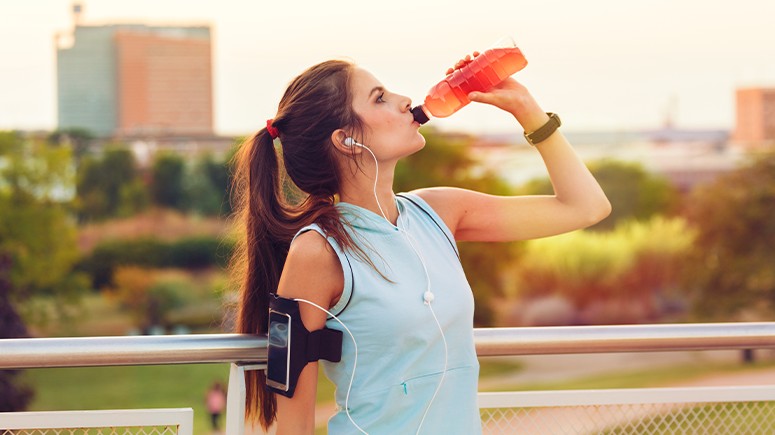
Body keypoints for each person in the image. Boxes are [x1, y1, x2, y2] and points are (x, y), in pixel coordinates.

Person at [231, 55, 611, 434]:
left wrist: (529, 112)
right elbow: (293, 425)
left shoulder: (440, 212)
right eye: (379, 98)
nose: (403, 100)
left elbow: (585, 207)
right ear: (345, 140)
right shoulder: (318, 252)